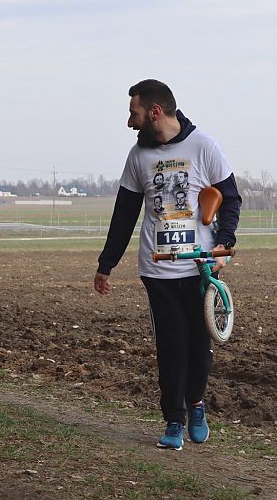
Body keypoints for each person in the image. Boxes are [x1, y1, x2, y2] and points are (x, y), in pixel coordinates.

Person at [94, 80, 241, 450]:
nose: (130, 122)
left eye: (134, 113)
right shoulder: (138, 156)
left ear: (155, 112)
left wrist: (224, 243)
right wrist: (106, 263)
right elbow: (125, 213)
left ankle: (195, 404)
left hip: (200, 268)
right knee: (171, 347)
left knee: (199, 349)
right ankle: (173, 419)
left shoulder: (204, 146)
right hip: (157, 270)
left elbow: (232, 199)